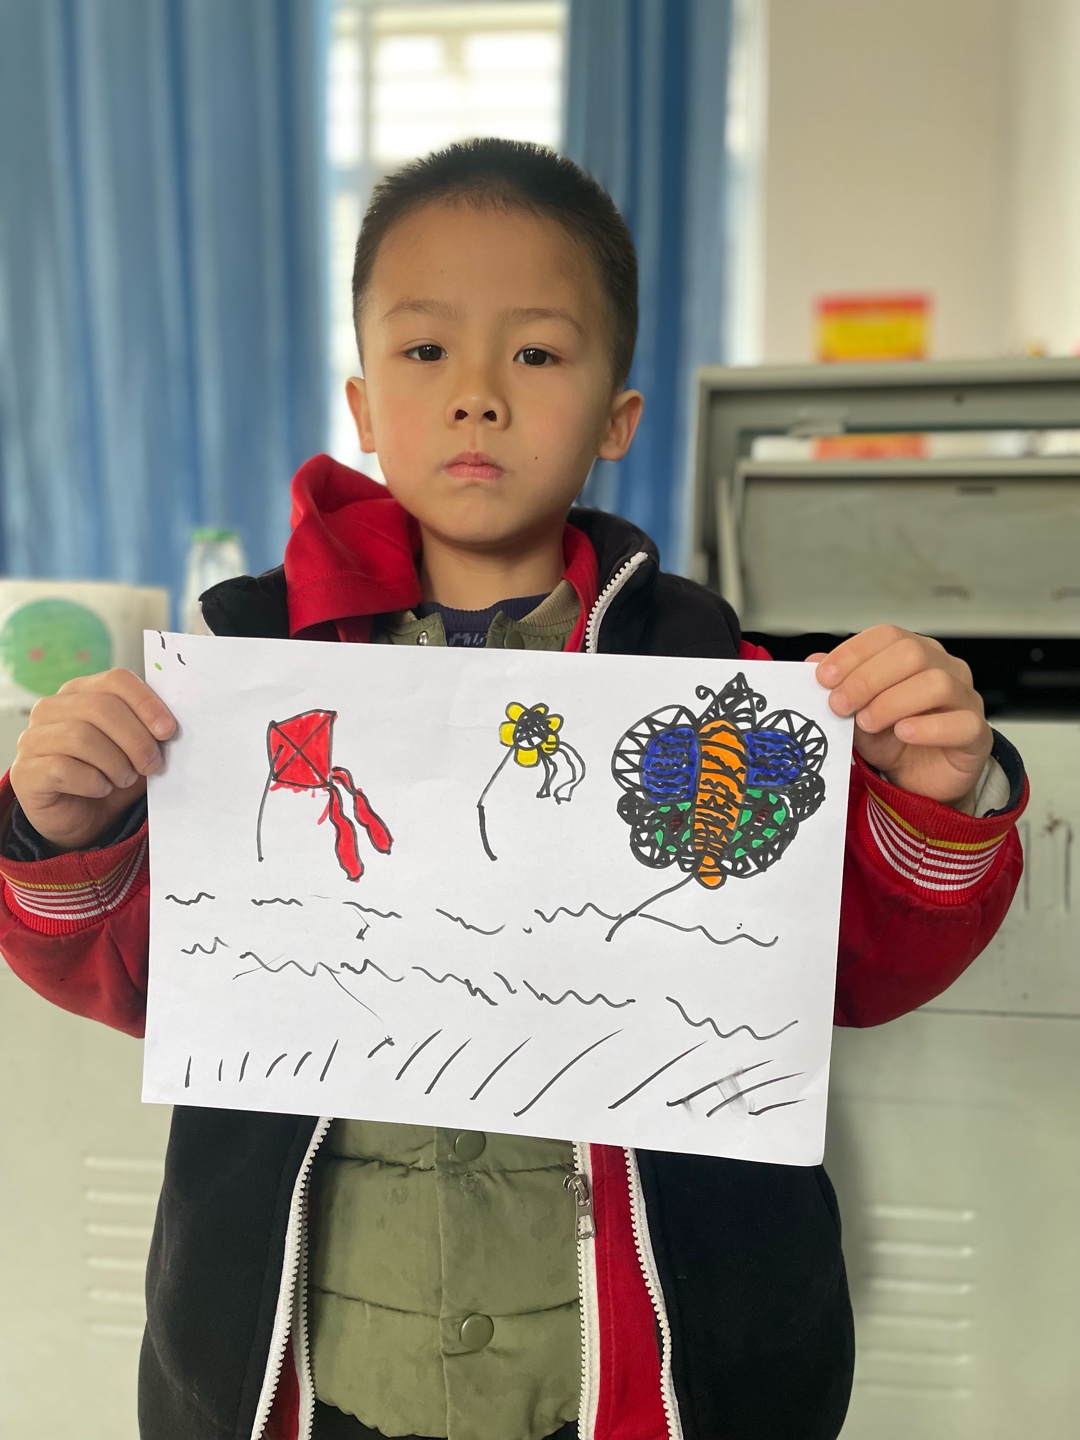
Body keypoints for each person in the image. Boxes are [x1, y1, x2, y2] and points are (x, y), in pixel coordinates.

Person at [0, 140, 1026, 1440]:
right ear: (364, 404)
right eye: (427, 351)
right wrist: (69, 830)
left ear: (616, 417)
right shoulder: (245, 674)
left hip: (644, 1389)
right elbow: (146, 979)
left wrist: (930, 803)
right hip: (310, 1381)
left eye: (536, 353)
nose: (477, 396)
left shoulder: (718, 686)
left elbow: (849, 971)